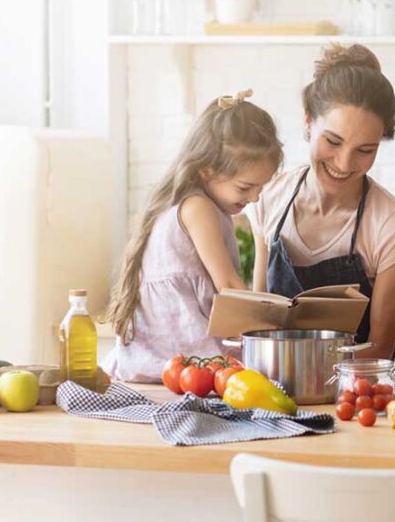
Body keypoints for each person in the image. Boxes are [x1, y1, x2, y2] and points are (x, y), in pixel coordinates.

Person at [249, 44, 395, 360]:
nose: (344, 163)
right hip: (271, 391)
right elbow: (258, 324)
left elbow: (380, 350)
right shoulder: (269, 198)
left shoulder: (392, 225)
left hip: (355, 396)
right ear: (308, 122)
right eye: (333, 141)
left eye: (365, 150)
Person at [102, 90, 283, 382]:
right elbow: (227, 285)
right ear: (207, 170)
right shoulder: (198, 208)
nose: (254, 197)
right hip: (181, 355)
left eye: (260, 188)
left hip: (160, 357)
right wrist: (268, 327)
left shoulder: (191, 202)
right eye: (245, 187)